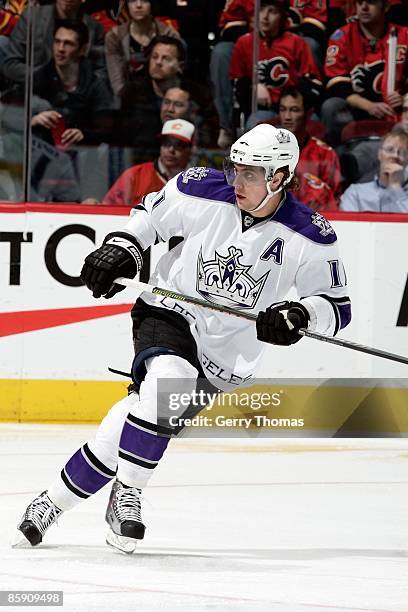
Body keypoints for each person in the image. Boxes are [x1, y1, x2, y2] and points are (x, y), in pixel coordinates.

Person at [14, 123, 351, 553]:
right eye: (236, 169)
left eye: (251, 173)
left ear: (280, 177)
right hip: (170, 310)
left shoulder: (310, 234)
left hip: (226, 359)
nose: (237, 180)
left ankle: (51, 503)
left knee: (122, 431)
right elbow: (149, 217)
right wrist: (122, 248)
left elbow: (337, 306)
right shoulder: (201, 188)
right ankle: (127, 496)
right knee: (169, 376)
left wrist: (299, 314)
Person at [321, 0, 408, 145]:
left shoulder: (404, 35)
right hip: (356, 110)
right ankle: (338, 157)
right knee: (331, 106)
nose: (364, 7)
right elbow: (336, 84)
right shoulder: (341, 36)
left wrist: (405, 97)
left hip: (396, 110)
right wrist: (369, 106)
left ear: (385, 7)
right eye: (360, 2)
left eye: (371, 2)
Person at [230, 0, 322, 129]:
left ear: (282, 16)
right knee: (254, 127)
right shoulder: (244, 43)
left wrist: (292, 102)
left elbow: (312, 82)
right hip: (264, 111)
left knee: (315, 127)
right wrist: (253, 88)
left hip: (295, 111)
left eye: (272, 11)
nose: (265, 17)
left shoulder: (297, 42)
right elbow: (237, 84)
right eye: (261, 10)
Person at [0, 0, 106, 85]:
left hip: (76, 99)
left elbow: (101, 72)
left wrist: (78, 82)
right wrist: (46, 77)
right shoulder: (31, 17)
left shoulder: (95, 28)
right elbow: (10, 64)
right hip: (34, 94)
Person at [96, 118, 194, 205]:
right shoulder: (135, 175)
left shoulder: (198, 181)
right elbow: (109, 208)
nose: (171, 150)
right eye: (166, 143)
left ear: (191, 150)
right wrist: (94, 204)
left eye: (179, 145)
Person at [278, 86, 341, 210]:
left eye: (294, 110)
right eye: (282, 109)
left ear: (309, 113)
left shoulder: (325, 154)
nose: (287, 116)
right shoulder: (265, 151)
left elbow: (333, 200)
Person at [105, 0, 180, 97]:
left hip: (163, 95)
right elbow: (117, 81)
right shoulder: (114, 37)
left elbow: (175, 75)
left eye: (144, 1)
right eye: (132, 1)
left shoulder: (170, 34)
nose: (138, 5)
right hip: (128, 96)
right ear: (126, 5)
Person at [340, 125, 408, 211]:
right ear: (379, 154)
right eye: (390, 150)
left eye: (402, 152)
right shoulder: (356, 192)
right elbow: (347, 223)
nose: (395, 155)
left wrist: (395, 187)